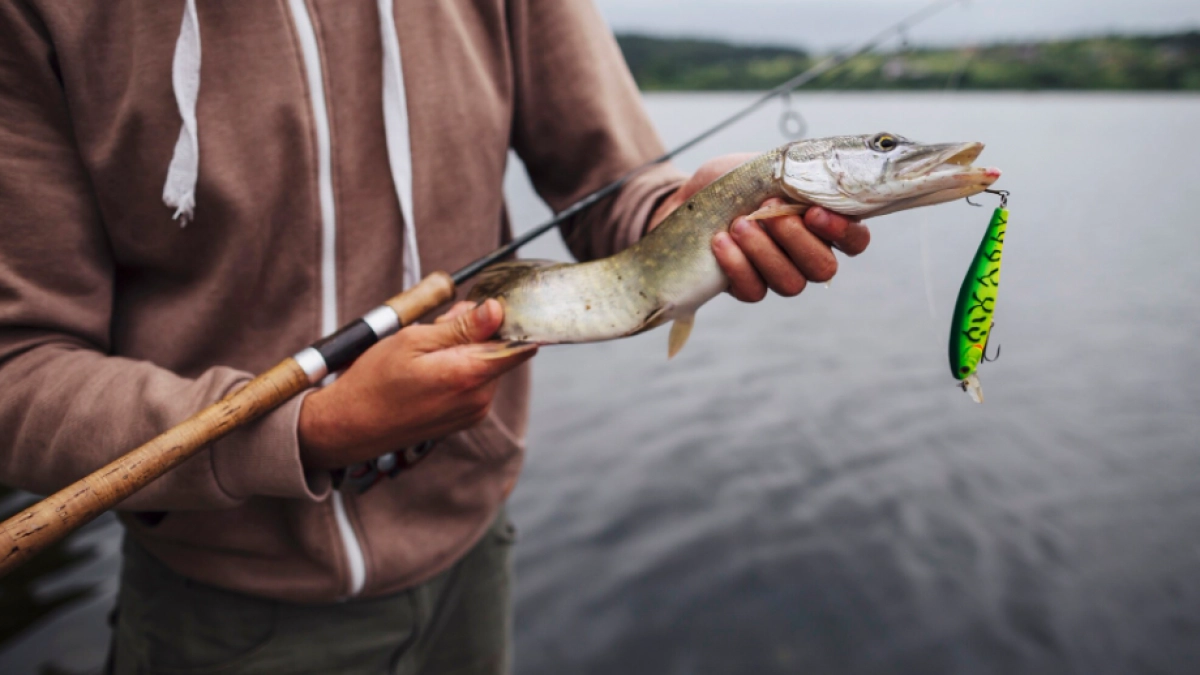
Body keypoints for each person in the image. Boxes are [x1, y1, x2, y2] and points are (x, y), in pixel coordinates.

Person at [0, 1, 868, 673]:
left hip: (472, 560)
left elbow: (621, 183)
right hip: (219, 603)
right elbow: (18, 372)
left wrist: (687, 217)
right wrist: (308, 429)